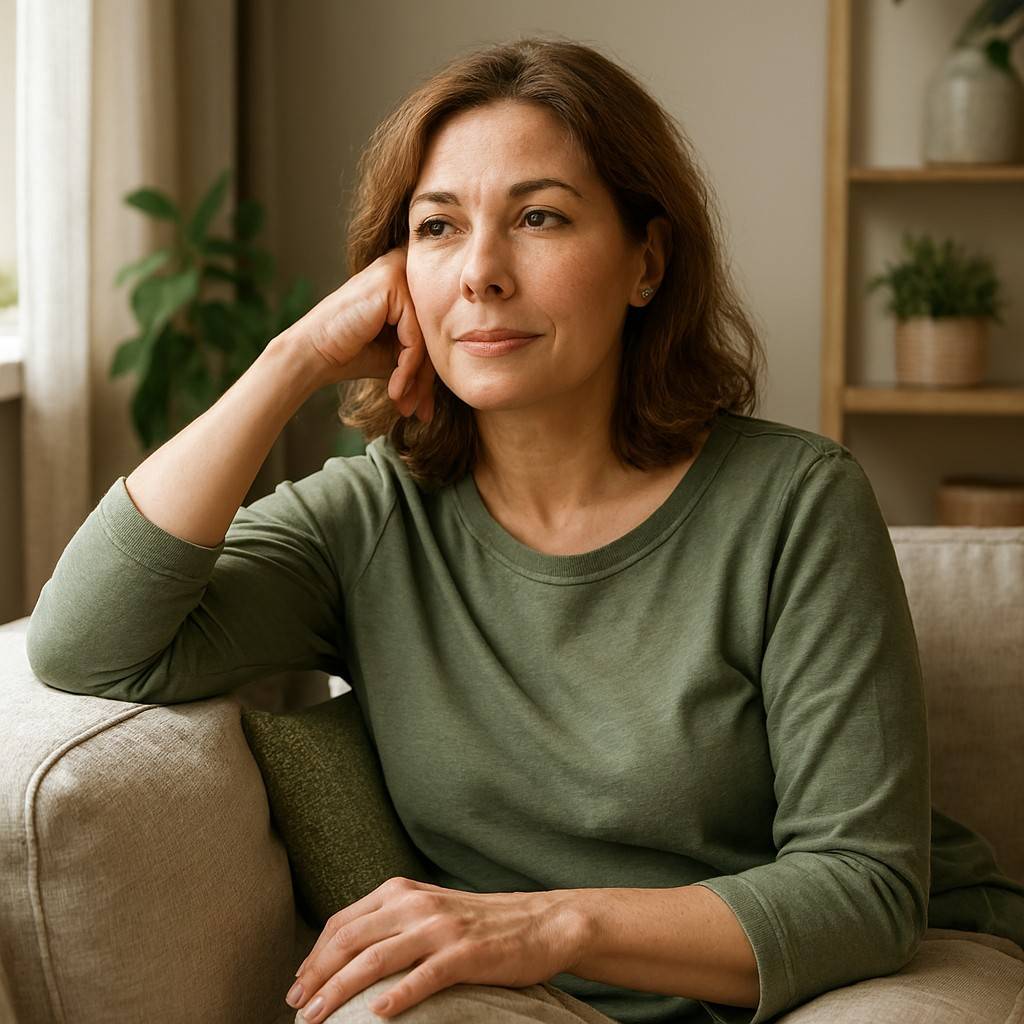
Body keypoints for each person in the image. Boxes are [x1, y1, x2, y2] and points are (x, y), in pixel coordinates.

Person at [27, 35, 1024, 1024]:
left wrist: (551, 922)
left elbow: (863, 888)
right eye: (437, 227)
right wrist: (292, 359)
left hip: (846, 976)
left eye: (539, 216)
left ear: (646, 261)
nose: (481, 273)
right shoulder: (371, 519)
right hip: (531, 997)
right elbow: (88, 643)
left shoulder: (797, 501)